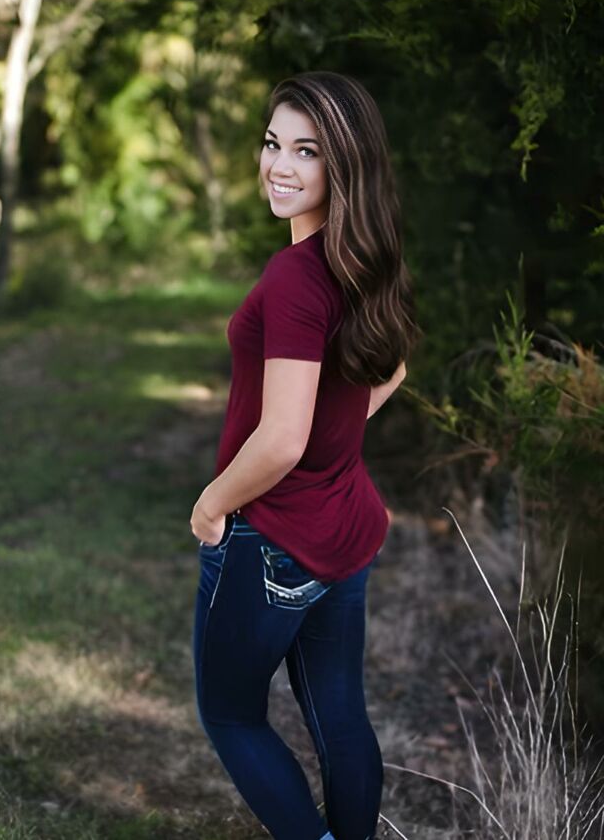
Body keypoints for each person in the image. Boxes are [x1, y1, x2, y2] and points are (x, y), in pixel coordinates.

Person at [190, 70, 421, 840]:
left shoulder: (295, 275)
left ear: (344, 165)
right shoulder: (361, 257)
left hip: (273, 539)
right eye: (272, 143)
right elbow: (392, 369)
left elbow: (284, 440)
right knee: (341, 719)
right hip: (346, 529)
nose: (278, 166)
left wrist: (212, 505)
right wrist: (336, 441)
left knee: (230, 715)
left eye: (306, 151)